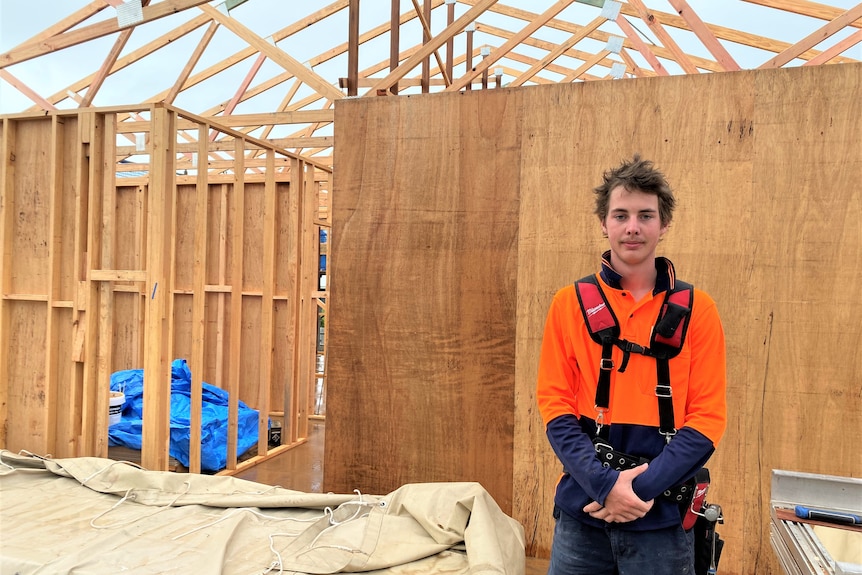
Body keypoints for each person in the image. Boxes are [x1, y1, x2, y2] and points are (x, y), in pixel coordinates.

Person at [537, 154, 727, 574]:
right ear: (603, 223)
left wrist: (634, 492)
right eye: (620, 215)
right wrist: (605, 485)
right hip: (583, 512)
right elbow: (555, 407)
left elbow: (707, 420)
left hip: (661, 520)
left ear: (664, 224)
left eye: (645, 215)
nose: (633, 227)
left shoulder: (699, 310)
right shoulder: (569, 305)